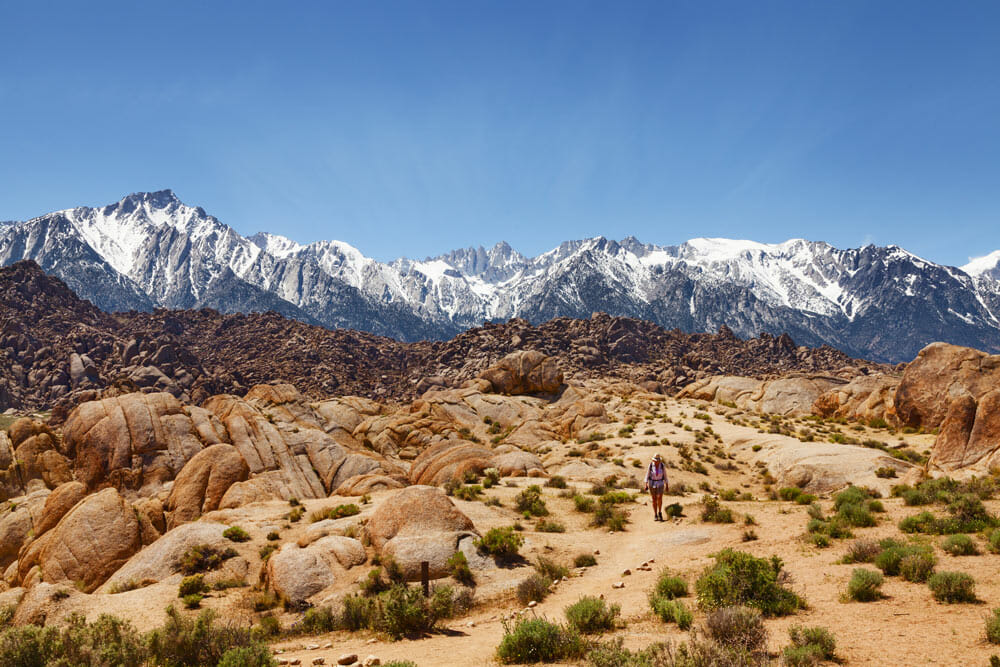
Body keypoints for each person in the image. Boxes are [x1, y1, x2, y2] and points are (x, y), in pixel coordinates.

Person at [644, 453, 668, 521]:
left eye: (657, 460)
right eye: (655, 460)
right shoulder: (651, 465)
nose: (656, 462)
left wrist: (667, 485)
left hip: (660, 483)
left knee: (659, 497)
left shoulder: (662, 466)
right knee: (654, 499)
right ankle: (655, 514)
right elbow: (647, 475)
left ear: (659, 461)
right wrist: (646, 484)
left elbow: (665, 476)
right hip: (652, 483)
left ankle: (660, 512)